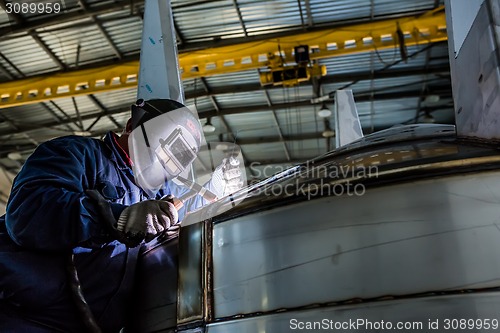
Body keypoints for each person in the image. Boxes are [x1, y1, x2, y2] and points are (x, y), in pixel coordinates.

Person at [0, 99, 243, 332]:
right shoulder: (79, 154)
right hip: (23, 318)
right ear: (131, 126)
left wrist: (214, 192)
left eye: (173, 162)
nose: (164, 164)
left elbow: (185, 220)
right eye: (162, 152)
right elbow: (27, 214)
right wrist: (118, 217)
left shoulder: (159, 194)